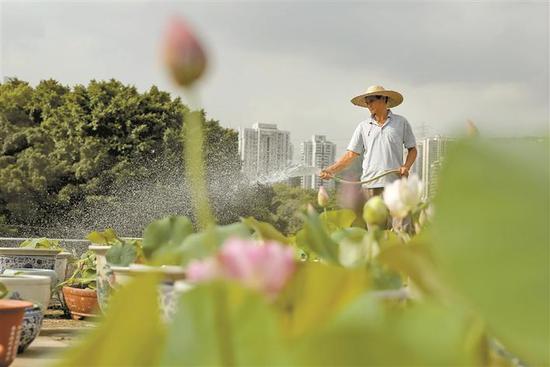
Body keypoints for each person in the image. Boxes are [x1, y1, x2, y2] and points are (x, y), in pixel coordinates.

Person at [320, 85, 417, 207]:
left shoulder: (401, 122)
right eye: (367, 103)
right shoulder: (363, 126)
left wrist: (406, 166)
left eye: (371, 101)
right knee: (373, 225)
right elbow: (351, 154)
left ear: (383, 99)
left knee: (399, 224)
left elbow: (412, 149)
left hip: (395, 185)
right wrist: (331, 170)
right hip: (369, 185)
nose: (369, 105)